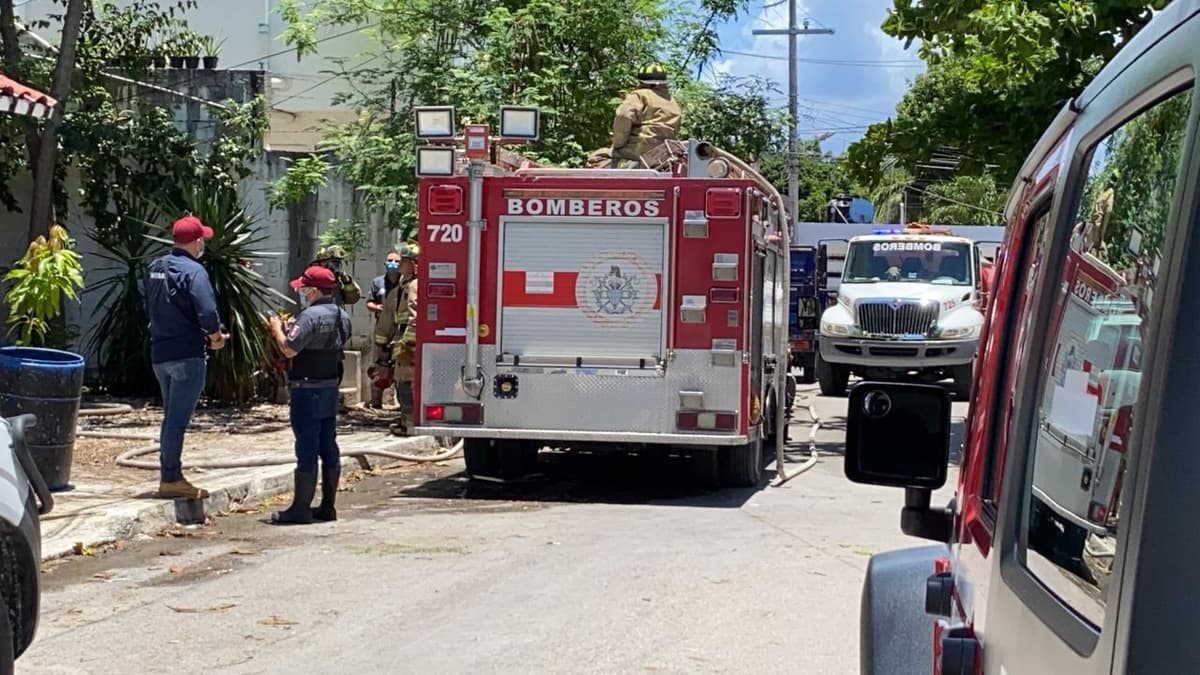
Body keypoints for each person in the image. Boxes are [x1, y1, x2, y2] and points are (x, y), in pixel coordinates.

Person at [144, 215, 228, 500]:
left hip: (160, 353)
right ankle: (171, 477)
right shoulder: (195, 271)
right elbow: (207, 311)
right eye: (202, 239)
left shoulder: (155, 267)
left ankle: (170, 474)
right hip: (187, 354)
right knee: (177, 420)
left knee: (170, 418)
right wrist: (216, 338)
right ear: (198, 241)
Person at [267, 265, 352, 525]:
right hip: (328, 388)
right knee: (328, 445)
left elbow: (289, 349)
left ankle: (300, 508)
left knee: (306, 447)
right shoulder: (342, 316)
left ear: (313, 290)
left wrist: (276, 328)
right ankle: (328, 506)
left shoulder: (309, 317)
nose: (301, 292)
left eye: (304, 288)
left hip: (306, 390)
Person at [609, 64, 682, 169]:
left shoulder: (639, 95)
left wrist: (618, 143)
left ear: (641, 81)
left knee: (598, 158)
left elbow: (623, 116)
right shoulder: (673, 102)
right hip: (665, 155)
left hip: (638, 152)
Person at [365, 249, 408, 409]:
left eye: (397, 261)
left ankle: (402, 404)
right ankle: (376, 401)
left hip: (401, 330)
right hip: (382, 327)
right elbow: (369, 303)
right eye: (390, 260)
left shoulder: (406, 283)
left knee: (401, 364)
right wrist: (378, 308)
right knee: (379, 363)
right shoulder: (378, 282)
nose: (393, 264)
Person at [391, 244, 420, 436]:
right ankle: (405, 421)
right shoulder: (405, 283)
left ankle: (410, 424)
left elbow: (415, 316)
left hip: (410, 345)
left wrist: (409, 345)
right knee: (401, 383)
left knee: (406, 384)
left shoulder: (414, 285)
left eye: (402, 261)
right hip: (402, 339)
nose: (397, 264)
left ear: (413, 264)